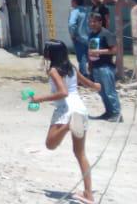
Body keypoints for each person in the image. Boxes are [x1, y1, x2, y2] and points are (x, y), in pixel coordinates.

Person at [27, 40, 101, 204]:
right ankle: (88, 194)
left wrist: (39, 99)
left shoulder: (54, 70)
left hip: (66, 110)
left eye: (46, 50)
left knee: (50, 144)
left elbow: (63, 92)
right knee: (81, 153)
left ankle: (68, 126)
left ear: (50, 54)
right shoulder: (71, 67)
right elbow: (85, 82)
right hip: (80, 109)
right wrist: (95, 86)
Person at [87, 13, 122, 122]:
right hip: (96, 67)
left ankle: (117, 114)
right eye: (90, 21)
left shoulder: (106, 34)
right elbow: (90, 51)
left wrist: (98, 51)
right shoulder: (91, 35)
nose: (92, 24)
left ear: (100, 22)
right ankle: (108, 112)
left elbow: (114, 50)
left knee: (110, 91)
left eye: (94, 21)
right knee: (101, 92)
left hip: (106, 67)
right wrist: (90, 65)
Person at [69, 0, 91, 77]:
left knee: (81, 57)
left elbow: (71, 24)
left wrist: (72, 35)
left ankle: (83, 76)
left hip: (79, 38)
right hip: (89, 37)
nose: (71, 2)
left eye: (71, 0)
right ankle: (91, 74)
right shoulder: (87, 11)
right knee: (91, 56)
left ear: (74, 1)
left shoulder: (75, 11)